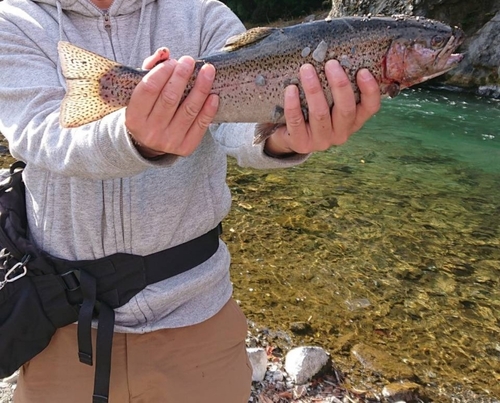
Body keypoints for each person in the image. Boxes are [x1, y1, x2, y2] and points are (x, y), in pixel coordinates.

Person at [0, 0, 381, 402]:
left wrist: (282, 137)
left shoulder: (202, 13)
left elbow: (238, 126)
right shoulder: (16, 19)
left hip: (199, 324)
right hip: (62, 325)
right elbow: (43, 136)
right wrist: (134, 136)